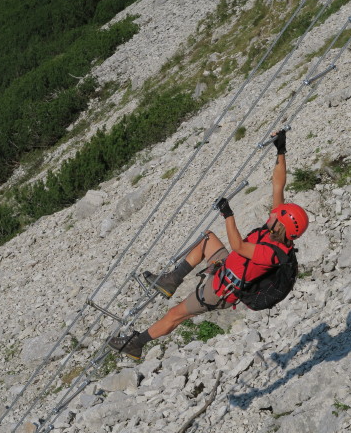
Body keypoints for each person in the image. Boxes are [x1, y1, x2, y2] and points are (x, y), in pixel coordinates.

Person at [108, 129, 309, 359]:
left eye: (278, 214)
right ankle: (171, 281)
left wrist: (228, 215)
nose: (273, 213)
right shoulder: (275, 233)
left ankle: (137, 343)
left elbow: (239, 247)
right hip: (226, 268)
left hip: (221, 290)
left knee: (176, 314)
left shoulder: (273, 254)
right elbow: (278, 186)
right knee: (207, 238)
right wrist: (281, 150)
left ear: (280, 224)